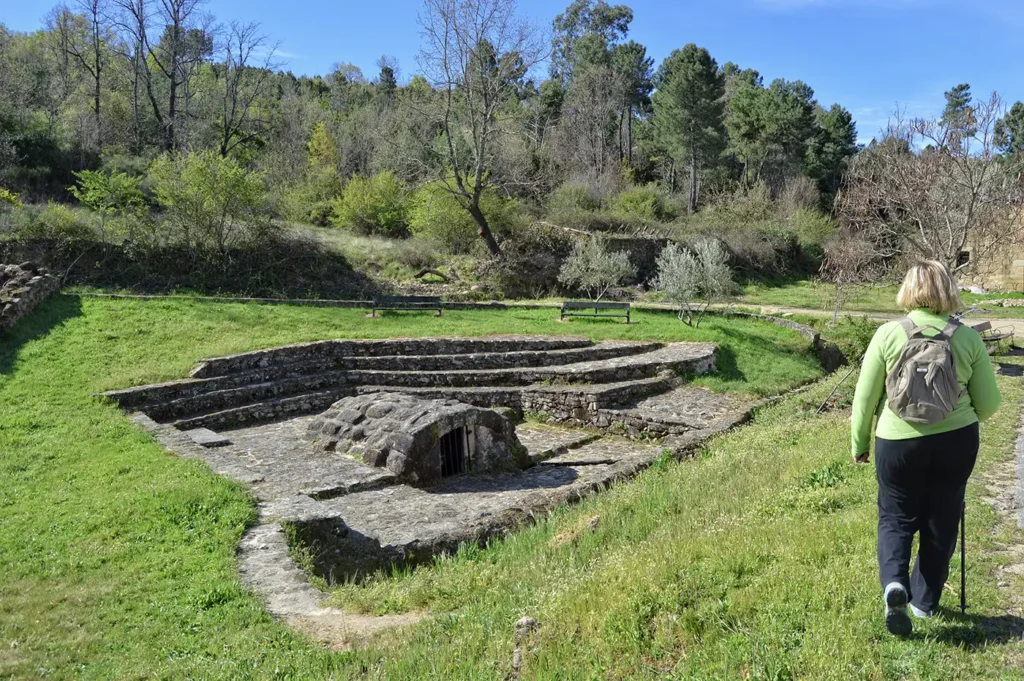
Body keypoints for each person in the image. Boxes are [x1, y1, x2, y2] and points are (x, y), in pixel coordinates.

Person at [850, 260, 1002, 636]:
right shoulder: (967, 339)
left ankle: (895, 584)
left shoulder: (888, 334)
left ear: (908, 289)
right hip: (956, 441)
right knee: (942, 519)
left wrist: (860, 443)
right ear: (949, 289)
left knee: (896, 517)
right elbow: (990, 405)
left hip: (897, 444)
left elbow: (864, 399)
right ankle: (924, 603)